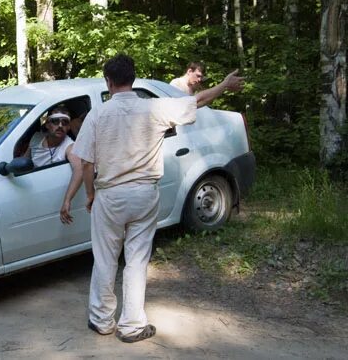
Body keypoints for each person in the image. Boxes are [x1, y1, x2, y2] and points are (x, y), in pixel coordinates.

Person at [72, 54, 244, 343]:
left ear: (108, 82)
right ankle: (132, 326)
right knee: (137, 261)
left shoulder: (97, 114)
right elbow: (197, 101)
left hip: (109, 195)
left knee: (104, 259)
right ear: (133, 79)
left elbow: (85, 162)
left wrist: (90, 194)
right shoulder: (154, 108)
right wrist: (225, 86)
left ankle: (102, 320)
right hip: (143, 194)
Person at [24, 106, 84, 225]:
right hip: (33, 194)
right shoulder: (36, 139)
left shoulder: (69, 146)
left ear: (68, 127)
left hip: (51, 197)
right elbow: (24, 162)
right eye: (56, 121)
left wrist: (67, 201)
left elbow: (79, 168)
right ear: (47, 124)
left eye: (65, 122)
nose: (60, 125)